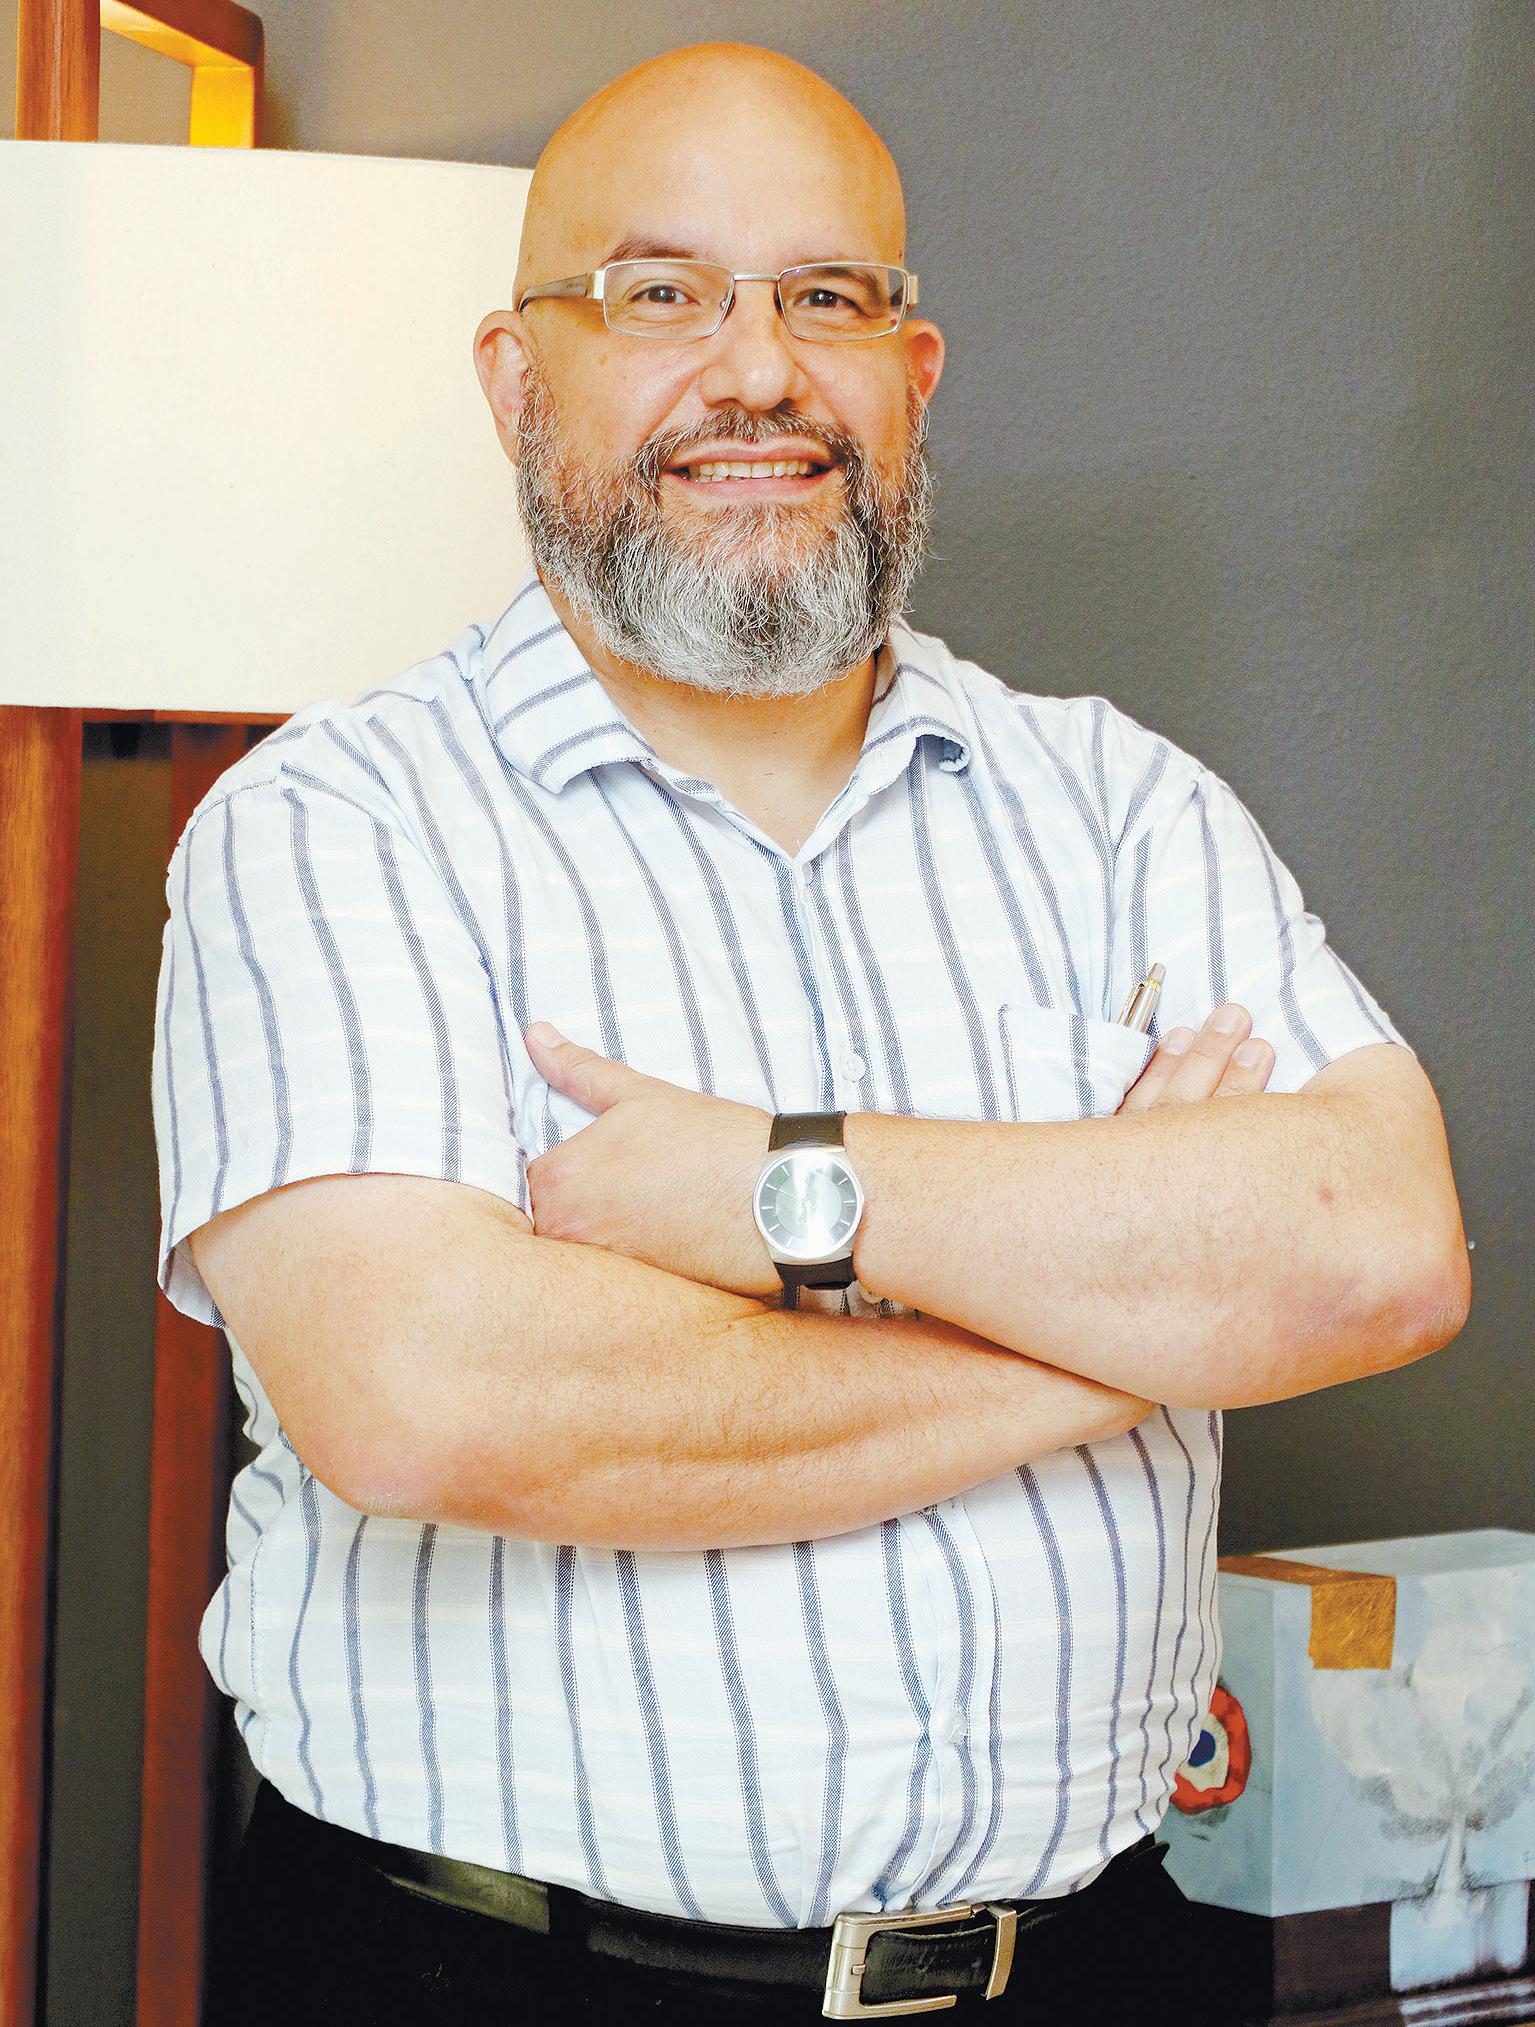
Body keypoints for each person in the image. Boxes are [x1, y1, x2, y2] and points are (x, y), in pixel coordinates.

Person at [153, 41, 1469, 2026]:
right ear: (516, 379)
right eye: (659, 293)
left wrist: (769, 1189)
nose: (757, 371)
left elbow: (1376, 1249)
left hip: (1093, 1970)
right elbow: (429, 1396)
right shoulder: (335, 824)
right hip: (497, 1976)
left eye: (827, 298)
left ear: (912, 376)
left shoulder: (1122, 807)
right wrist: (1122, 1326)